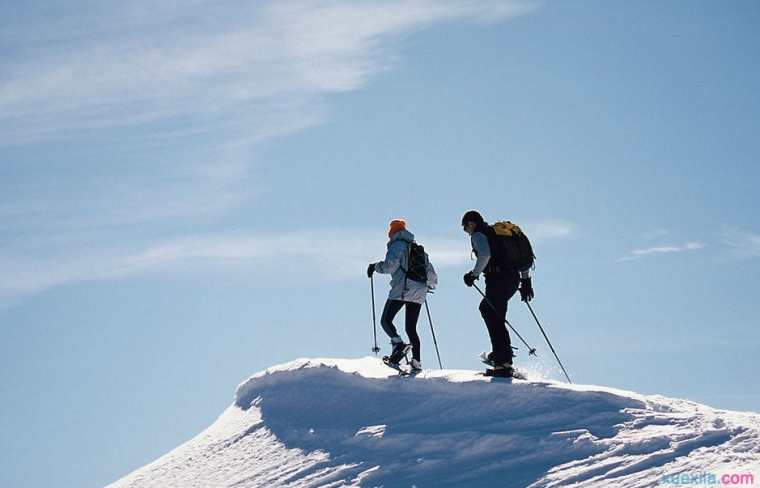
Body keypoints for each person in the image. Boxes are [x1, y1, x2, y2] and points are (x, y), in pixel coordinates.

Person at [461, 210, 534, 376]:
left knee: (489, 311)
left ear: (471, 223)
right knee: (495, 314)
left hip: (498, 279)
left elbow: (485, 255)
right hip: (513, 279)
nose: (466, 232)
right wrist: (526, 280)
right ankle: (501, 354)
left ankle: (503, 361)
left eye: (465, 228)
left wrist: (473, 274)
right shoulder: (498, 234)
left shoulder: (479, 234)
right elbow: (519, 258)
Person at [368, 219, 438, 371]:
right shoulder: (417, 248)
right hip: (419, 291)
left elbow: (389, 266)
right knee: (411, 328)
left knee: (386, 320)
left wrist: (374, 267)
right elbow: (432, 274)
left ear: (392, 232)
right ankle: (416, 361)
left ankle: (398, 344)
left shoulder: (397, 245)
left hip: (403, 288)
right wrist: (427, 287)